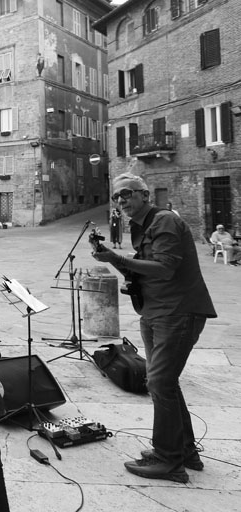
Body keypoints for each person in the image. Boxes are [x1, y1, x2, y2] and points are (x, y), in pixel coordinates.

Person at [91, 173, 216, 483]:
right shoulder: (142, 225)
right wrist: (112, 260)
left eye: (127, 193)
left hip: (178, 312)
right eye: (117, 197)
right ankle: (184, 450)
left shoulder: (164, 221)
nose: (121, 200)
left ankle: (168, 460)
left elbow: (165, 267)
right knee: (165, 382)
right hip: (155, 310)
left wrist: (119, 258)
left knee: (159, 381)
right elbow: (144, 266)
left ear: (145, 195)